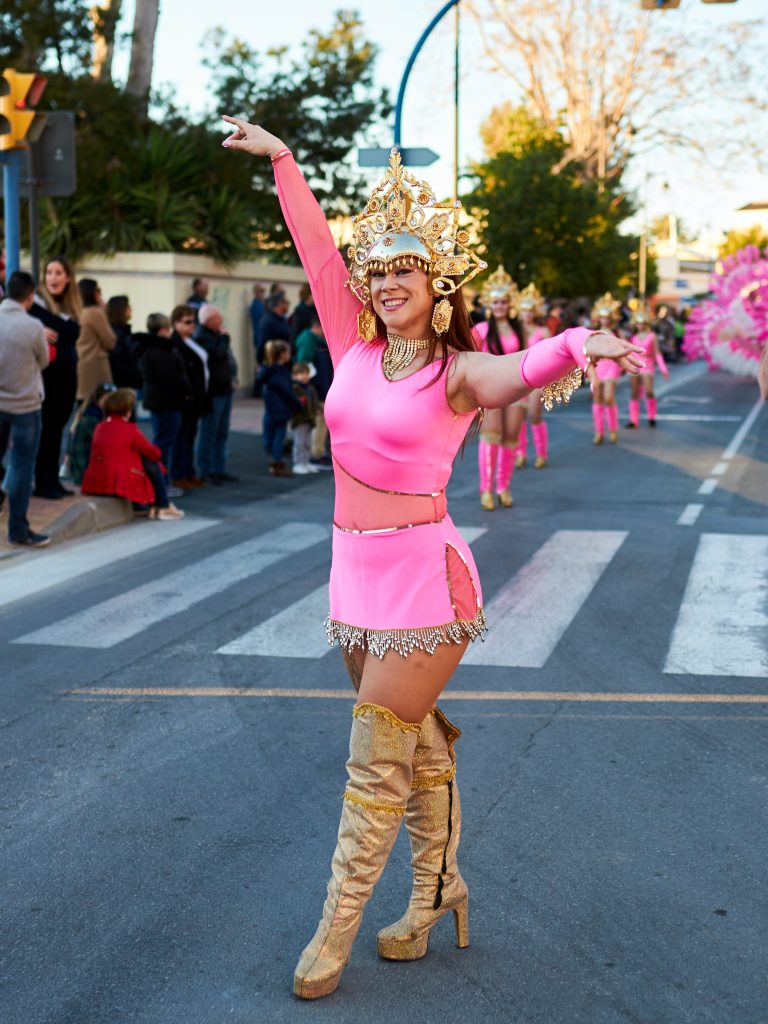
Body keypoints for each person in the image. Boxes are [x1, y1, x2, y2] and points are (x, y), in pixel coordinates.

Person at [222, 116, 642, 1001]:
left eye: (404, 268)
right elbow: (315, 252)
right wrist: (287, 162)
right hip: (353, 575)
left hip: (424, 579)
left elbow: (516, 372)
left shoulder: (455, 370)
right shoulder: (352, 344)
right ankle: (440, 887)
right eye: (378, 271)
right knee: (409, 744)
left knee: (374, 759)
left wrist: (574, 346)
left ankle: (334, 930)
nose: (385, 282)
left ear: (437, 282)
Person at [0, 271, 51, 546]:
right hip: (26, 406)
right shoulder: (33, 326)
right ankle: (18, 531)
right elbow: (43, 361)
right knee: (21, 467)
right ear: (30, 296)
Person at [82, 388, 183, 520]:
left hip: (96, 478)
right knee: (151, 462)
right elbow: (155, 454)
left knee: (143, 459)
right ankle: (163, 506)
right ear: (127, 411)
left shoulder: (100, 427)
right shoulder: (129, 429)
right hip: (118, 479)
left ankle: (158, 506)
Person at [470, 265, 524, 510]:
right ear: (489, 304)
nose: (500, 306)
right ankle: (486, 490)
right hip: (489, 390)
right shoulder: (480, 330)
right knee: (491, 437)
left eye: (503, 301)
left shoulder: (518, 329)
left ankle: (504, 487)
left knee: (511, 438)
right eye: (495, 302)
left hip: (515, 389)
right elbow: (467, 358)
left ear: (509, 303)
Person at [29, 256, 80, 499]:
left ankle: (52, 480)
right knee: (46, 431)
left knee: (57, 430)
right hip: (46, 378)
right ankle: (43, 482)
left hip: (67, 378)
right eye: (49, 272)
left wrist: (61, 329)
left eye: (58, 273)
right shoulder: (36, 307)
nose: (53, 278)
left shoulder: (70, 308)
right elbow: (67, 332)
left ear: (68, 277)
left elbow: (69, 334)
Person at [138, 312, 193, 499]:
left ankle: (162, 481)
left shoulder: (154, 348)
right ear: (162, 330)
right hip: (165, 400)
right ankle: (161, 483)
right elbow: (170, 376)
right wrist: (186, 389)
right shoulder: (159, 350)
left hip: (162, 399)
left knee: (164, 441)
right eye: (168, 328)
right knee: (164, 443)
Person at [194, 303, 239, 483]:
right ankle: (206, 470)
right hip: (214, 391)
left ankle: (219, 468)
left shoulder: (214, 335)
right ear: (209, 320)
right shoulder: (203, 337)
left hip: (224, 389)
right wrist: (225, 338)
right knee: (209, 432)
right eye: (218, 318)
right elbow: (218, 354)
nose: (221, 321)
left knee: (221, 431)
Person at [170, 304, 210, 488]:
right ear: (176, 323)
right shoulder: (175, 343)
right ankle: (179, 473)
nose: (192, 326)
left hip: (198, 396)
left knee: (190, 435)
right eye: (187, 322)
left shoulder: (192, 340)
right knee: (182, 437)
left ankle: (188, 471)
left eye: (193, 322)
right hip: (186, 398)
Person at [515, 282, 551, 469]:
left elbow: (551, 356)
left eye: (530, 310)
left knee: (535, 414)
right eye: (523, 310)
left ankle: (541, 453)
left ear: (535, 312)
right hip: (517, 378)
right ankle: (521, 453)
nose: (527, 314)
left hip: (538, 379)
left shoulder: (543, 331)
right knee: (519, 417)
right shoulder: (514, 331)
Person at [256, 339, 302, 476]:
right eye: (288, 352)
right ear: (282, 355)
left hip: (271, 408)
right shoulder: (279, 373)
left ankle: (272, 457)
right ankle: (277, 462)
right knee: (279, 436)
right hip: (280, 409)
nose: (290, 355)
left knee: (270, 433)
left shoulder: (269, 370)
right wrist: (298, 404)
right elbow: (286, 392)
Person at [294, 312, 333, 467]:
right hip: (317, 389)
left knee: (320, 421)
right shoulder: (310, 341)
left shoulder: (314, 340)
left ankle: (317, 452)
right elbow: (304, 365)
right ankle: (315, 454)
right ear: (317, 326)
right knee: (319, 421)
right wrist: (314, 386)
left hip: (320, 387)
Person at [67, 382, 117, 486]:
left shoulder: (93, 413)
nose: (112, 403)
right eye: (108, 399)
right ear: (99, 399)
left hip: (83, 470)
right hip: (84, 473)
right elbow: (107, 444)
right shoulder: (92, 417)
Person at [76, 279, 117, 404]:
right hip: (95, 369)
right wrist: (103, 310)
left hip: (80, 365)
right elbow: (110, 341)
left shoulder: (77, 312)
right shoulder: (95, 313)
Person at [627, 308, 669, 428]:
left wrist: (663, 368)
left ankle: (652, 416)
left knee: (649, 392)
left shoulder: (652, 336)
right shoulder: (634, 337)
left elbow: (657, 353)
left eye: (642, 323)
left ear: (646, 324)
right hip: (635, 367)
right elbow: (631, 353)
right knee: (634, 393)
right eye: (638, 323)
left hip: (648, 367)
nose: (639, 326)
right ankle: (633, 420)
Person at [589, 293, 622, 445]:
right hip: (598, 368)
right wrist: (588, 372)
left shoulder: (616, 334)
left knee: (608, 398)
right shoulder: (593, 334)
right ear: (598, 318)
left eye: (607, 317)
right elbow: (589, 353)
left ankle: (613, 429)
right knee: (597, 399)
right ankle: (599, 432)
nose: (605, 320)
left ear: (611, 318)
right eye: (602, 317)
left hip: (611, 368)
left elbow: (621, 351)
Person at [107, 295, 142, 390]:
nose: (131, 310)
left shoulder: (123, 331)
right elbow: (119, 359)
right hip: (124, 384)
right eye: (128, 307)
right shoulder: (115, 332)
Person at [290, 361, 319, 474]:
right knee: (299, 442)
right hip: (299, 420)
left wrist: (317, 409)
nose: (303, 376)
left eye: (305, 373)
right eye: (300, 374)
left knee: (307, 443)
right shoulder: (295, 388)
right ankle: (298, 463)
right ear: (295, 375)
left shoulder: (310, 388)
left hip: (309, 419)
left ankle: (305, 462)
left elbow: (314, 400)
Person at [256, 292, 291, 363]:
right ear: (279, 304)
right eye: (286, 302)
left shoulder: (282, 319)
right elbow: (263, 343)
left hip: (284, 362)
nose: (288, 304)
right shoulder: (268, 321)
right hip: (273, 363)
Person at [250, 282, 266, 350]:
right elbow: (257, 326)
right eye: (260, 291)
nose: (262, 293)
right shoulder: (255, 306)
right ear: (255, 292)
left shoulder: (263, 304)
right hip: (261, 340)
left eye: (263, 291)